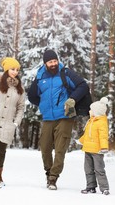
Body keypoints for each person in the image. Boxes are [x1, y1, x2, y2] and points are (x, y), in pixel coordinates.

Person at [28, 49, 89, 190]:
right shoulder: (40, 76)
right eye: (50, 62)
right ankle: (48, 172)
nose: (54, 64)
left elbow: (83, 85)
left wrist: (72, 99)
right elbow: (32, 96)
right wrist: (44, 105)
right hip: (48, 118)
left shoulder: (65, 73)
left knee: (60, 148)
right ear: (45, 63)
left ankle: (53, 178)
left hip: (65, 116)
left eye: (55, 61)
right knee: (45, 147)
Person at [0, 57, 25, 188]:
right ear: (6, 69)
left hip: (8, 123)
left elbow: (21, 107)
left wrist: (16, 123)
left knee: (2, 150)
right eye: (12, 69)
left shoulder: (19, 88)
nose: (15, 72)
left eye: (17, 70)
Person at [78, 97, 110, 195]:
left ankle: (104, 188)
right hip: (88, 149)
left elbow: (103, 136)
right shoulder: (90, 121)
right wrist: (81, 141)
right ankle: (91, 186)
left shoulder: (101, 122)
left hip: (97, 151)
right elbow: (87, 134)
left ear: (97, 111)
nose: (90, 111)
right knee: (88, 169)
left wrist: (104, 147)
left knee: (99, 169)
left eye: (91, 110)